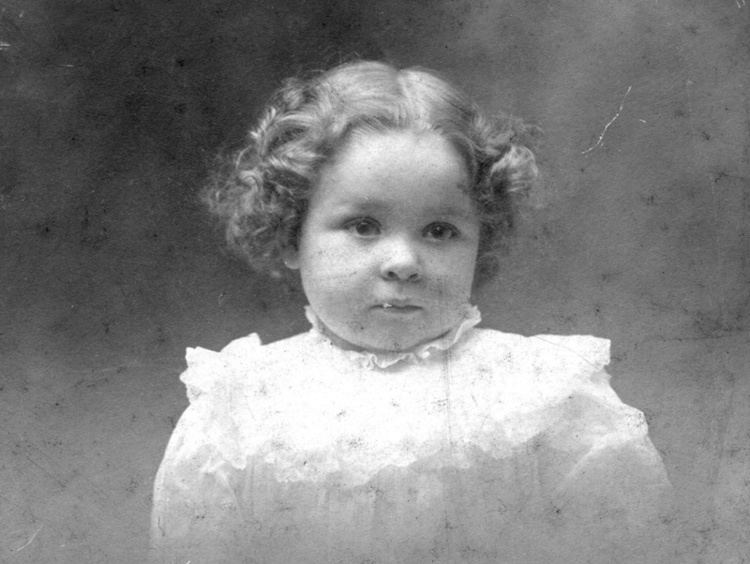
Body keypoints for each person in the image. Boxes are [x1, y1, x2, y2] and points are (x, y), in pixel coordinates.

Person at [150, 60, 672, 563]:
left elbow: (629, 544)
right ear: (292, 233)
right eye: (363, 226)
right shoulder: (238, 405)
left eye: (439, 231)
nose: (403, 262)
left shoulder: (546, 395)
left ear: (479, 241)